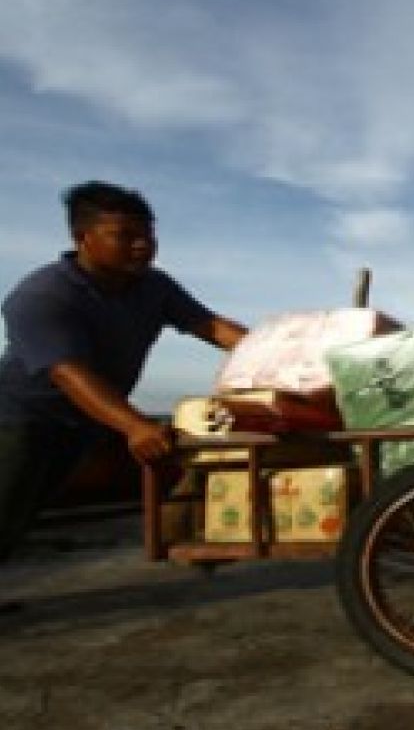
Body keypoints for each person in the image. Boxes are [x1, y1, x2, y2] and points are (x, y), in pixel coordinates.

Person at [0, 181, 247, 565]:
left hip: (83, 424)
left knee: (25, 511)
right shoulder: (43, 296)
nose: (143, 245)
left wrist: (281, 352)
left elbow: (211, 327)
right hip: (18, 419)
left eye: (148, 236)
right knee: (6, 504)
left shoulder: (154, 286)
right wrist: (135, 426)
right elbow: (69, 374)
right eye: (125, 236)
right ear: (82, 237)